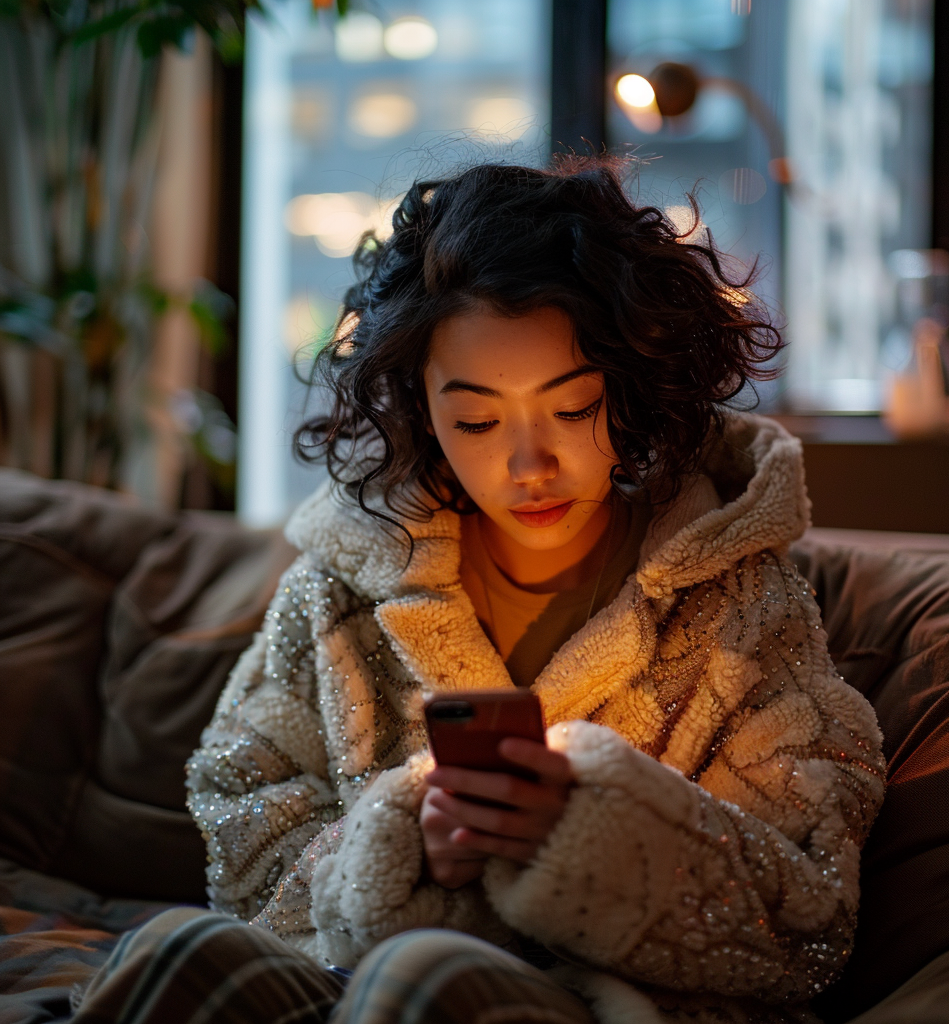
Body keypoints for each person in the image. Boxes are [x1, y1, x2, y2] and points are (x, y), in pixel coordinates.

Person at [73, 158, 885, 1024]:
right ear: (421, 411)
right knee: (179, 954)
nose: (530, 466)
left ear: (632, 387)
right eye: (477, 421)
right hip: (354, 981)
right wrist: (393, 851)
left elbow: (811, 910)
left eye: (572, 410)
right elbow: (243, 817)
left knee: (425, 979)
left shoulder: (735, 605)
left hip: (615, 1003)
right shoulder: (345, 592)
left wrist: (595, 838)